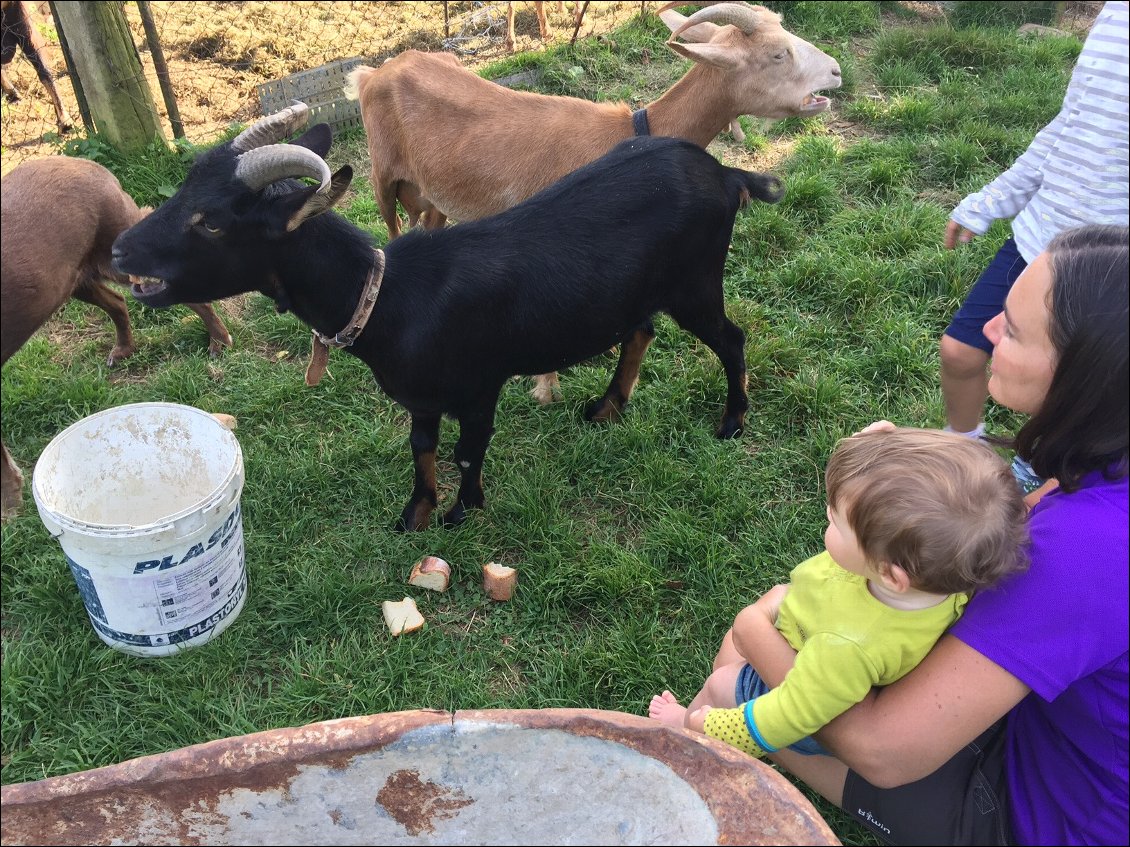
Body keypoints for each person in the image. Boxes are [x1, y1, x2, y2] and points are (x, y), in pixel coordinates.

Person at [682, 224, 1127, 846]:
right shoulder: (1105, 462)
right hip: (1062, 731)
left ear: (1090, 374)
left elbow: (882, 751)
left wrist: (756, 631)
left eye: (1016, 330)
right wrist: (901, 479)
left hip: (1046, 813)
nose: (989, 330)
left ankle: (683, 780)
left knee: (731, 684)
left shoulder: (1081, 550)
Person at [648, 427, 1029, 761]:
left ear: (890, 574)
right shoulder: (942, 577)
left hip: (806, 689)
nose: (826, 517)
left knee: (720, 685)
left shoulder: (847, 647)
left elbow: (792, 712)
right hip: (818, 650)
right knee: (735, 646)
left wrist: (713, 725)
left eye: (834, 521)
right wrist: (874, 450)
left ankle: (680, 736)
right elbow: (915, 497)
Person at [939, 1, 1128, 493]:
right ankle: (967, 449)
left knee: (1072, 390)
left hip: (1112, 273)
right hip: (1041, 239)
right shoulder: (1114, 14)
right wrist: (989, 201)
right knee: (961, 349)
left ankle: (1048, 475)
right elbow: (1069, 124)